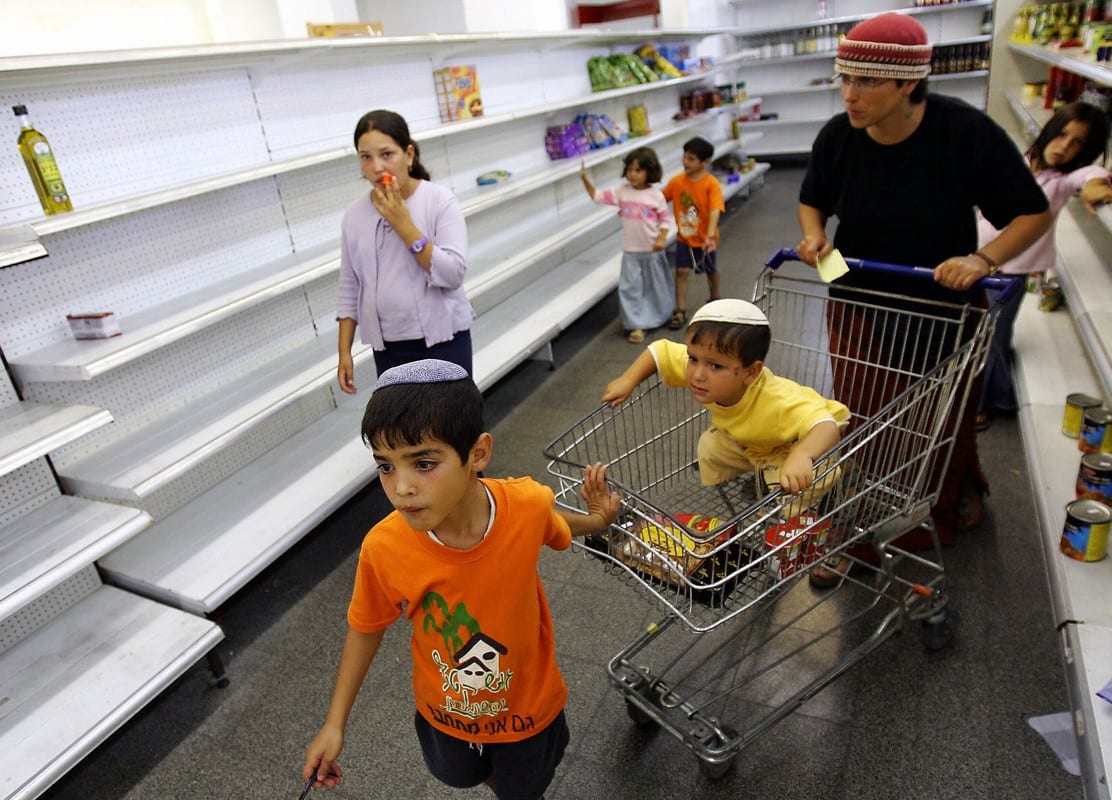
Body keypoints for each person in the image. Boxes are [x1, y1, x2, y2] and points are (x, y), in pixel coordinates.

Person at [795, 12, 1053, 580]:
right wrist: (814, 235)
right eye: (845, 79)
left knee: (942, 418)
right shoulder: (838, 135)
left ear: (909, 83)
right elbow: (812, 197)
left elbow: (1032, 213)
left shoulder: (964, 133)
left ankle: (943, 497)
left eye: (866, 82)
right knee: (869, 418)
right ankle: (866, 527)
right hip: (858, 297)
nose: (850, 95)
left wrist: (982, 260)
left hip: (942, 307)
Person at [302, 359, 620, 800]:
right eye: (386, 466)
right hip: (443, 712)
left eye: (423, 463)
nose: (402, 488)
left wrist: (597, 519)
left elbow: (553, 524)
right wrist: (334, 723)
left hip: (527, 712)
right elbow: (365, 626)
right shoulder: (384, 546)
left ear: (478, 454)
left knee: (524, 789)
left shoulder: (525, 506)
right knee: (458, 774)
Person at [602, 299, 849, 501]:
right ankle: (762, 476)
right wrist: (628, 379)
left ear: (750, 372)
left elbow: (825, 426)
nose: (698, 374)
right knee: (709, 447)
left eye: (715, 366)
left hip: (796, 441)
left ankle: (824, 495)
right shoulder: (703, 369)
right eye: (693, 358)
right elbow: (661, 351)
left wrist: (802, 456)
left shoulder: (778, 400)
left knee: (799, 484)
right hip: (755, 441)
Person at [975, 101, 1112, 431]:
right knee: (990, 336)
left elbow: (1091, 175)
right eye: (1063, 134)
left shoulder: (1063, 179)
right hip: (982, 262)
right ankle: (998, 396)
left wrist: (1098, 186)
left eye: (1078, 142)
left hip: (1010, 274)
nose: (1065, 147)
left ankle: (986, 403)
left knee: (988, 339)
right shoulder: (1021, 163)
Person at [337, 109, 473, 394]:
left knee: (448, 429)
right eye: (366, 157)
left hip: (443, 340)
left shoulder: (438, 201)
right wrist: (344, 352)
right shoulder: (354, 215)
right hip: (389, 349)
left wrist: (404, 225)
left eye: (387, 154)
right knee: (403, 434)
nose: (377, 167)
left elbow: (453, 274)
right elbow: (350, 285)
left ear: (409, 154)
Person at [580, 147, 673, 344]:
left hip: (652, 250)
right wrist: (584, 179)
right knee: (631, 288)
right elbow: (597, 197)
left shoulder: (656, 195)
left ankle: (660, 315)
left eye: (638, 170)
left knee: (655, 285)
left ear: (650, 171)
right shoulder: (622, 192)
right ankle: (636, 324)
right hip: (631, 251)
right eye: (630, 169)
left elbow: (665, 219)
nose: (632, 174)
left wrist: (662, 238)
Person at [662, 136, 726, 329]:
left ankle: (715, 296)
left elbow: (715, 209)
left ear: (704, 162)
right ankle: (680, 308)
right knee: (681, 271)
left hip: (707, 239)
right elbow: (660, 199)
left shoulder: (711, 184)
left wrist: (709, 235)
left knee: (710, 269)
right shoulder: (676, 182)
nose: (685, 162)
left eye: (691, 158)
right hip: (684, 237)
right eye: (685, 157)